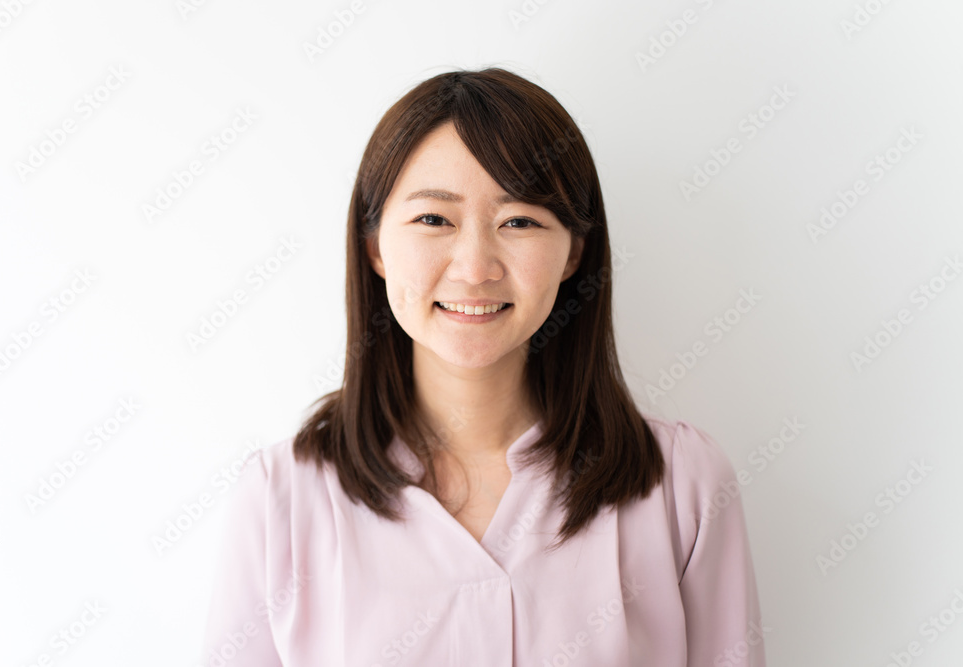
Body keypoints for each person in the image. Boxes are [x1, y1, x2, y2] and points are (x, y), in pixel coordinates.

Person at [200, 66, 766, 666]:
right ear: (375, 248)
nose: (475, 267)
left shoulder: (680, 484)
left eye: (519, 221)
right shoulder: (281, 499)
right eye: (433, 219)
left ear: (574, 250)